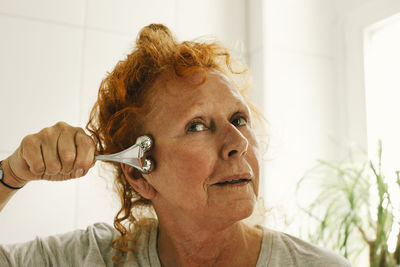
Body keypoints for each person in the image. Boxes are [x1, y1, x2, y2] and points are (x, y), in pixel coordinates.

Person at [0, 24, 351, 267]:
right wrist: (12, 173)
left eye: (239, 119)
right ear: (140, 176)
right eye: (197, 126)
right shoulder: (93, 257)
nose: (238, 142)